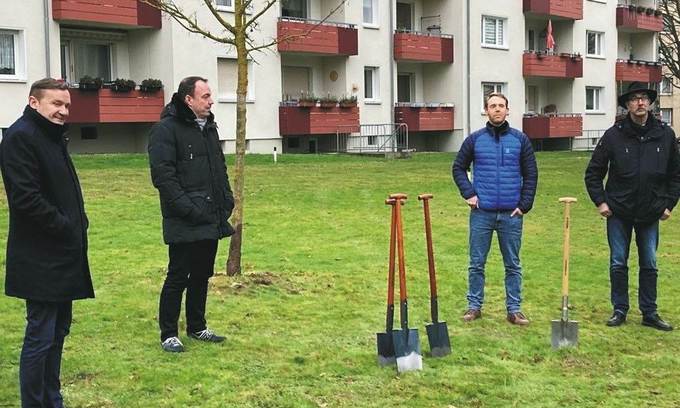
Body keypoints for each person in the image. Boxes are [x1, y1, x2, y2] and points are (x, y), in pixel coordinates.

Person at [0, 78, 94, 407]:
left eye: (67, 105)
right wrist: (66, 225)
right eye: (56, 104)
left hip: (64, 253)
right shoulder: (21, 137)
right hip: (39, 257)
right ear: (34, 101)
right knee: (41, 335)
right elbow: (26, 199)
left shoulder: (51, 137)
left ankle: (52, 399)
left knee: (58, 333)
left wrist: (77, 223)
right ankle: (35, 402)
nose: (63, 111)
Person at [148, 76, 235, 352]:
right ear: (189, 99)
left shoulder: (209, 128)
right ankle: (169, 333)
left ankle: (197, 326)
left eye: (210, 96)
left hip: (211, 216)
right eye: (205, 96)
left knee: (201, 274)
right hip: (184, 219)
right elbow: (164, 177)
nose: (211, 101)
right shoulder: (165, 130)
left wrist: (226, 200)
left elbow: (218, 167)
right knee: (178, 275)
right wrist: (188, 208)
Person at [585, 81, 680, 331]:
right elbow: (593, 173)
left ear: (650, 103)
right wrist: (601, 201)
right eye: (634, 99)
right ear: (627, 105)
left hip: (651, 212)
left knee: (649, 263)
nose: (640, 103)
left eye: (643, 98)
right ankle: (620, 309)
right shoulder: (614, 135)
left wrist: (669, 203)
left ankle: (649, 312)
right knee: (618, 262)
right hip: (618, 211)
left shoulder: (665, 134)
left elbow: (675, 174)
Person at [452, 93, 538, 325]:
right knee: (476, 263)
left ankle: (514, 309)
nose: (497, 109)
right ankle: (474, 306)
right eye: (493, 106)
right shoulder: (474, 140)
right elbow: (458, 168)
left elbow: (531, 174)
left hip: (511, 214)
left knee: (513, 264)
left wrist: (524, 205)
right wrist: (468, 193)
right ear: (486, 111)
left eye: (501, 106)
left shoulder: (520, 140)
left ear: (508, 110)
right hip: (482, 213)